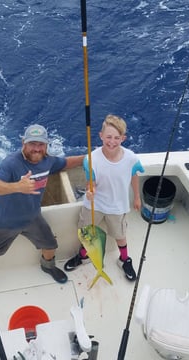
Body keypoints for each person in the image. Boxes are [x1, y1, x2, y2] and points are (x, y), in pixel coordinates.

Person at [0, 124, 85, 307]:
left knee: (50, 244)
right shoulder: (11, 163)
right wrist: (17, 186)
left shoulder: (48, 161)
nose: (37, 148)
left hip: (31, 218)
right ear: (23, 143)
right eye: (32, 144)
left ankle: (47, 266)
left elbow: (66, 163)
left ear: (46, 146)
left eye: (41, 144)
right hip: (2, 221)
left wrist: (89, 159)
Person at [64, 114, 144, 281]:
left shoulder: (131, 158)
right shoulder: (91, 159)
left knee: (120, 235)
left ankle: (124, 260)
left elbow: (134, 176)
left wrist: (137, 197)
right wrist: (90, 191)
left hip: (117, 206)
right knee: (87, 233)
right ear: (101, 136)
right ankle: (83, 256)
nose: (112, 141)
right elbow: (91, 182)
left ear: (123, 138)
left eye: (116, 138)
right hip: (95, 204)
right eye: (108, 137)